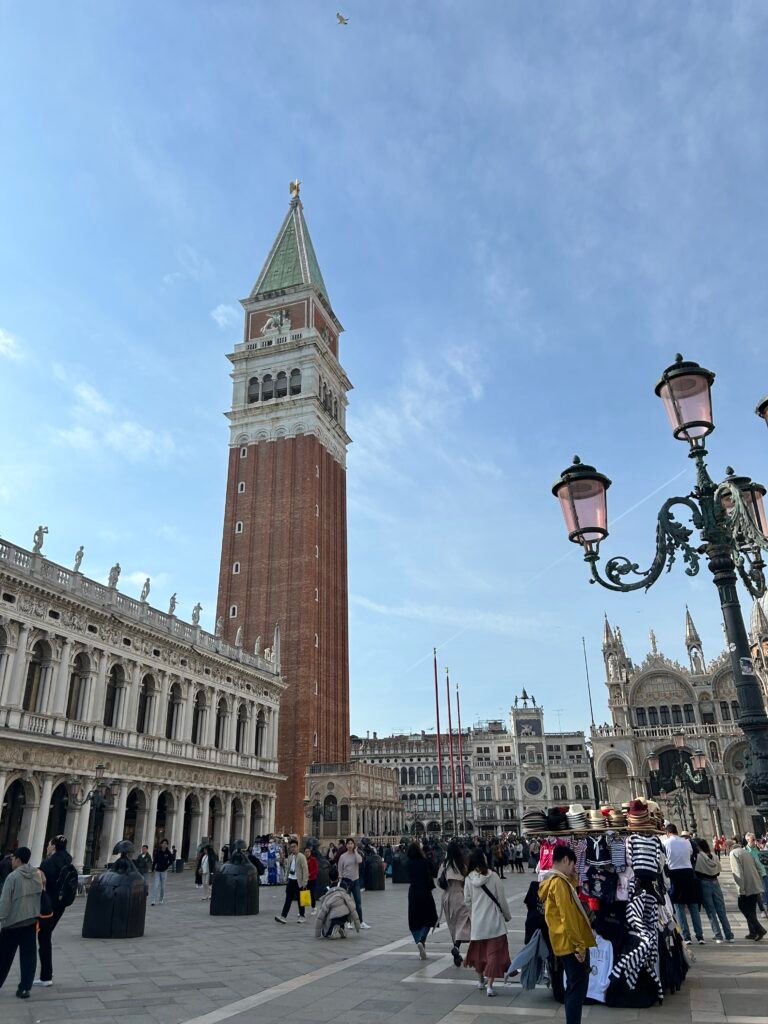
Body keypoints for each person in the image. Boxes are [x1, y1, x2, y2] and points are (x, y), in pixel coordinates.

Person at [539, 846, 595, 1024]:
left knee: (574, 987)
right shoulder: (559, 884)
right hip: (571, 944)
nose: (573, 869)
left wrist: (572, 875)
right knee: (576, 989)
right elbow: (568, 916)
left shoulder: (555, 881)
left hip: (563, 943)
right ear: (565, 860)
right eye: (572, 864)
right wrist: (579, 945)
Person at [463, 847, 511, 997]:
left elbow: (467, 901)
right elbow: (501, 899)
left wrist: (474, 914)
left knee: (479, 952)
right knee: (494, 953)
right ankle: (490, 986)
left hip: (478, 922)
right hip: (494, 921)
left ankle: (480, 981)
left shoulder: (468, 879)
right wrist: (507, 915)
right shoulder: (494, 876)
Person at [0, 847, 43, 1000]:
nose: (11, 861)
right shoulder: (37, 874)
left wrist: (1, 918)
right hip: (31, 920)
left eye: (13, 858)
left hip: (12, 922)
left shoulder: (13, 877)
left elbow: (4, 902)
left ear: (18, 859)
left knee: (3, 956)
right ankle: (25, 988)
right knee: (28, 957)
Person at [35, 835, 77, 987]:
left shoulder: (48, 863)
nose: (47, 847)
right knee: (46, 936)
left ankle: (46, 976)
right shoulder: (67, 860)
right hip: (61, 903)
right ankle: (47, 972)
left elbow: (41, 884)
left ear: (53, 846)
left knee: (43, 937)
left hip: (48, 904)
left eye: (48, 844)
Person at [662, 824, 704, 944]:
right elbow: (691, 855)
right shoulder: (687, 842)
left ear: (667, 832)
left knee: (678, 905)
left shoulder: (666, 843)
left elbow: (664, 858)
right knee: (693, 905)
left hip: (674, 873)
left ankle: (686, 936)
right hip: (688, 872)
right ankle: (700, 936)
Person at [437, 839, 470, 967]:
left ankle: (455, 948)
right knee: (463, 923)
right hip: (460, 895)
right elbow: (467, 881)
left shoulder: (444, 864)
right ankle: (457, 946)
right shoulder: (462, 865)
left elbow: (439, 882)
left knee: (453, 924)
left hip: (447, 897)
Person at [694, 839, 734, 943]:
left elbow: (697, 872)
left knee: (711, 911)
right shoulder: (715, 856)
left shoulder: (698, 857)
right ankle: (729, 935)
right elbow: (718, 873)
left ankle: (718, 935)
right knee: (721, 911)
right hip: (716, 883)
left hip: (704, 883)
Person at [406, 841, 438, 960]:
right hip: (425, 892)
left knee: (414, 920)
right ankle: (422, 939)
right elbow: (434, 872)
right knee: (430, 917)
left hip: (413, 892)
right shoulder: (424, 862)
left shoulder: (408, 863)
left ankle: (419, 942)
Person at [730, 843, 766, 941]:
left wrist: (741, 889)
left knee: (742, 907)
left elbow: (737, 872)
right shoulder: (747, 852)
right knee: (751, 910)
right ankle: (753, 932)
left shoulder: (733, 853)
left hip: (746, 887)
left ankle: (759, 929)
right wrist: (758, 880)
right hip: (755, 885)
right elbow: (759, 866)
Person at [339, 838, 371, 929]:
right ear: (346, 845)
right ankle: (348, 922)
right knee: (348, 903)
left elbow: (359, 861)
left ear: (354, 845)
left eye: (351, 844)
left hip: (355, 880)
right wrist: (340, 879)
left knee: (358, 903)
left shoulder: (356, 855)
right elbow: (340, 868)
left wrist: (356, 852)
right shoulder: (343, 856)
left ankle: (361, 922)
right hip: (346, 881)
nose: (350, 845)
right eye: (348, 844)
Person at [274, 839, 308, 924]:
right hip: (291, 880)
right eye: (291, 847)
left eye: (294, 847)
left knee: (301, 899)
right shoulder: (290, 857)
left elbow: (305, 870)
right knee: (288, 899)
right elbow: (288, 869)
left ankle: (302, 916)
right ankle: (283, 916)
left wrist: (304, 882)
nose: (292, 849)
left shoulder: (301, 857)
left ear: (297, 847)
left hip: (299, 881)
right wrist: (286, 878)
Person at [745, 833, 768, 917]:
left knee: (766, 891)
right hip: (754, 874)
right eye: (753, 840)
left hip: (763, 872)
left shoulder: (758, 848)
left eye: (755, 839)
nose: (755, 841)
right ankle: (762, 910)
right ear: (747, 840)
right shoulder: (745, 851)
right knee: (758, 893)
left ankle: (766, 909)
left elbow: (763, 859)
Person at [150, 839, 174, 906]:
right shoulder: (158, 852)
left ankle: (161, 899)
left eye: (166, 843)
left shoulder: (168, 853)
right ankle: (153, 900)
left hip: (164, 872)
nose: (164, 844)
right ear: (161, 844)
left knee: (162, 887)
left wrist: (166, 866)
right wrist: (152, 870)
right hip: (157, 871)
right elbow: (154, 861)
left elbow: (171, 861)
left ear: (167, 845)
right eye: (163, 843)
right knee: (155, 885)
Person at [305, 845, 319, 914]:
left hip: (312, 879)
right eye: (306, 852)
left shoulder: (313, 859)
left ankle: (314, 908)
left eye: (308, 851)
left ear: (310, 852)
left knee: (312, 894)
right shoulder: (304, 859)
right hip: (305, 880)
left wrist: (310, 874)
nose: (307, 853)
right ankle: (303, 911)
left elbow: (316, 870)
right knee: (305, 894)